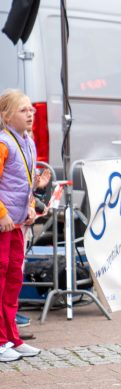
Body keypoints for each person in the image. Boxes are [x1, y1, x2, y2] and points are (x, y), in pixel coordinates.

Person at [0, 89, 42, 363]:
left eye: (31, 109)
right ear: (6, 116)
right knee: (1, 277)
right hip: (4, 224)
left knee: (14, 279)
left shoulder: (27, 140)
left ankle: (11, 336)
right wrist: (2, 212)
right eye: (23, 110)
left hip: (17, 223)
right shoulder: (3, 143)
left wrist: (31, 203)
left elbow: (22, 181)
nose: (31, 114)